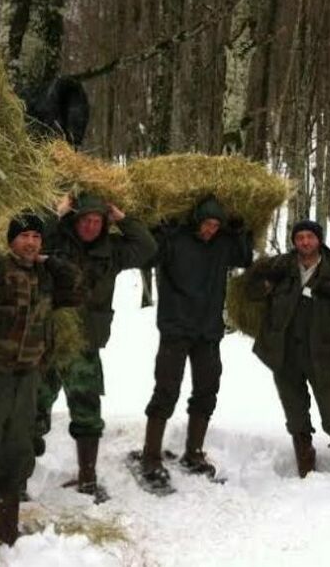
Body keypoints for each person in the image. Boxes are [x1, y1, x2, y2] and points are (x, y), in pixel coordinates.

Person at [0, 213, 82, 567]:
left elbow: (77, 291)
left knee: (16, 458)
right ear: (11, 241)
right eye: (24, 236)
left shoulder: (45, 277)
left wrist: (55, 263)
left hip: (26, 380)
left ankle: (8, 536)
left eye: (37, 237)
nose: (32, 242)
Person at [32, 193, 157, 501]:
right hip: (48, 340)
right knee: (33, 407)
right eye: (85, 220)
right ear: (75, 220)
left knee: (87, 410)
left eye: (97, 221)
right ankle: (18, 480)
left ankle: (87, 477)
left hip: (85, 342)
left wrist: (122, 218)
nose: (90, 226)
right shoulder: (56, 241)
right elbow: (29, 237)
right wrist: (56, 213)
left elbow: (147, 248)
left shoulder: (111, 252)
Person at [245, 220, 330, 477]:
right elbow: (250, 289)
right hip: (284, 354)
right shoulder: (282, 266)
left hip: (321, 354)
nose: (305, 242)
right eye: (300, 237)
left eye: (310, 237)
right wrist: (264, 285)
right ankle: (305, 467)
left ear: (319, 240)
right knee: (295, 412)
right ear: (294, 241)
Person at [137, 197, 253, 490]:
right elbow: (147, 257)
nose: (211, 230)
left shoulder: (223, 243)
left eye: (216, 226)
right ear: (196, 220)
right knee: (166, 390)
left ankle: (194, 452)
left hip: (208, 331)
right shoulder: (175, 240)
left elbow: (245, 257)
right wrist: (158, 230)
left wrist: (240, 230)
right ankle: (150, 456)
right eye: (207, 224)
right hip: (175, 328)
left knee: (207, 390)